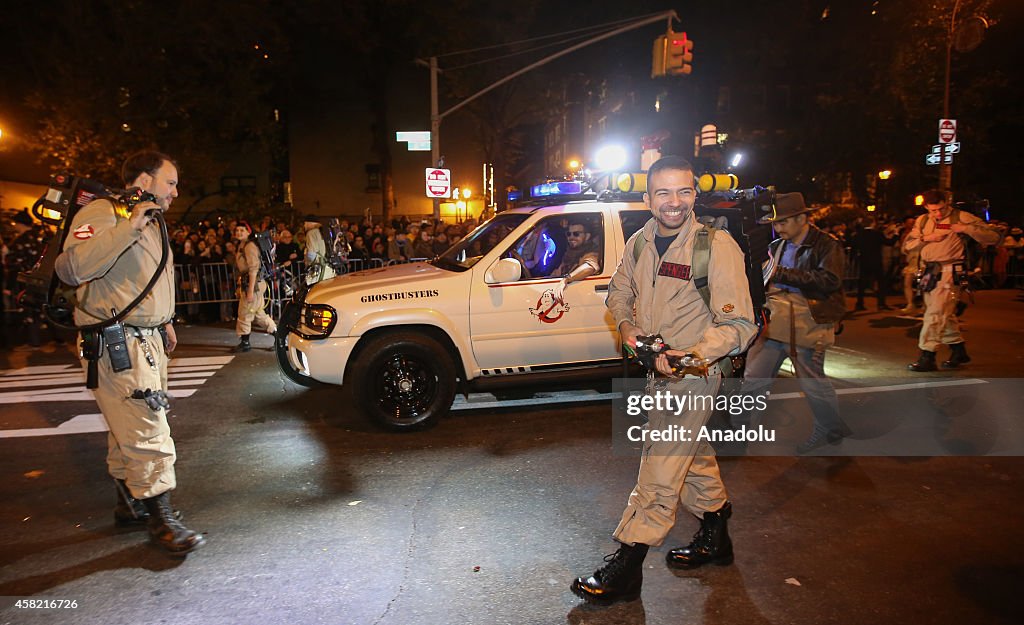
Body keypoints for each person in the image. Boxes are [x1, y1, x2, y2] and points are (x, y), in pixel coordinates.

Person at [571, 156, 757, 604]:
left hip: (694, 373)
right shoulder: (640, 242)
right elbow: (619, 293)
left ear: (694, 194)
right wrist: (629, 329)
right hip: (657, 369)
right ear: (648, 197)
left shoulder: (715, 246)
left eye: (683, 192)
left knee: (660, 463)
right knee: (689, 456)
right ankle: (716, 534)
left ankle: (628, 563)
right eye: (663, 193)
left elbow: (740, 326)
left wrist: (691, 355)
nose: (674, 203)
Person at [54, 150, 205, 554]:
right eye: (170, 182)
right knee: (146, 425)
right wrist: (128, 227)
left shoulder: (153, 222)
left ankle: (128, 505)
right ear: (144, 181)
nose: (176, 190)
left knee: (129, 426)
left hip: (146, 338)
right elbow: (70, 268)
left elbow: (144, 279)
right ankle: (161, 519)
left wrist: (165, 319)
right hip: (117, 341)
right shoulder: (105, 213)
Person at [736, 192, 849, 453]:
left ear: (802, 218)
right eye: (775, 223)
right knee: (754, 379)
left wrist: (780, 273)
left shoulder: (827, 244)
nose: (778, 228)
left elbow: (829, 281)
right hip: (776, 320)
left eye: (783, 222)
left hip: (809, 322)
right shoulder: (777, 246)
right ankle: (741, 433)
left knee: (812, 383)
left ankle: (829, 428)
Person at [904, 189, 1000, 371]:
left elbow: (994, 237)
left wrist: (965, 229)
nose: (938, 214)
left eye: (941, 208)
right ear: (926, 207)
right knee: (942, 312)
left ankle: (927, 355)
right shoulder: (922, 220)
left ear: (946, 203)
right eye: (933, 210)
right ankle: (958, 350)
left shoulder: (962, 217)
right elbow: (908, 245)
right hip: (930, 272)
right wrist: (927, 238)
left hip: (950, 271)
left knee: (935, 313)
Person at [232, 221, 277, 352]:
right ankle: (279, 337)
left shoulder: (249, 246)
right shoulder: (243, 245)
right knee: (259, 315)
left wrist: (250, 290)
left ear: (248, 232)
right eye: (237, 230)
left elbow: (253, 268)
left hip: (254, 284)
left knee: (245, 312)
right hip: (253, 283)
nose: (239, 232)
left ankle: (245, 343)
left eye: (242, 230)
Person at [552, 219, 601, 301]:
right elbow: (559, 271)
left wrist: (566, 280)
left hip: (583, 300)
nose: (571, 237)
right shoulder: (570, 253)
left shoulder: (591, 251)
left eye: (576, 234)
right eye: (568, 234)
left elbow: (589, 266)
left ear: (587, 236)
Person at [850, 217, 890, 311]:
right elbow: (888, 242)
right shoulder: (877, 234)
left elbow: (853, 247)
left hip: (864, 261)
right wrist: (896, 234)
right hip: (876, 261)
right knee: (881, 282)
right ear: (873, 223)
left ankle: (859, 303)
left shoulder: (858, 235)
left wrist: (855, 258)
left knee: (862, 283)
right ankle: (881, 303)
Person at [303, 215, 334, 283]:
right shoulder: (325, 231)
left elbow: (311, 254)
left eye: (305, 223)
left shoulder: (311, 233)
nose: (304, 226)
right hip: (327, 267)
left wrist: (306, 257)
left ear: (310, 223)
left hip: (317, 269)